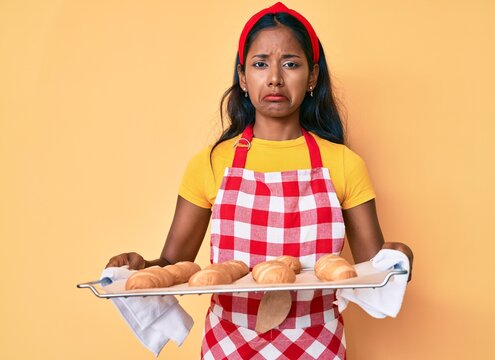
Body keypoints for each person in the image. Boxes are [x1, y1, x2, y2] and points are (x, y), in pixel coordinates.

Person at [106, 2, 413, 359]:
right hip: (229, 344)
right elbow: (175, 264)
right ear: (242, 76)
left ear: (312, 77)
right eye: (260, 63)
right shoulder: (210, 163)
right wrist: (140, 267)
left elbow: (370, 273)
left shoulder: (344, 163)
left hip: (317, 343)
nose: (275, 78)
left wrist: (397, 261)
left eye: (291, 64)